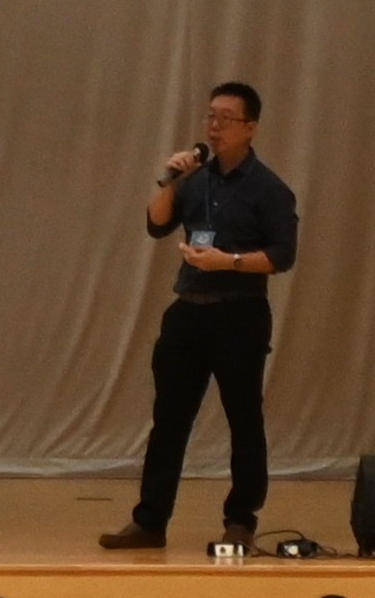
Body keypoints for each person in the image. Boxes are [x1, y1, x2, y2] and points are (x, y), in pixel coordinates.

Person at [107, 82, 301, 555]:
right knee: (169, 420)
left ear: (250, 128)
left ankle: (241, 520)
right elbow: (156, 225)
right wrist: (169, 179)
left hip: (240, 313)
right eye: (210, 117)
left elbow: (282, 256)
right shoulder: (195, 179)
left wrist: (228, 262)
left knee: (243, 420)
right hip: (188, 314)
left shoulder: (270, 190)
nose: (214, 127)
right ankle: (150, 521)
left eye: (226, 119)